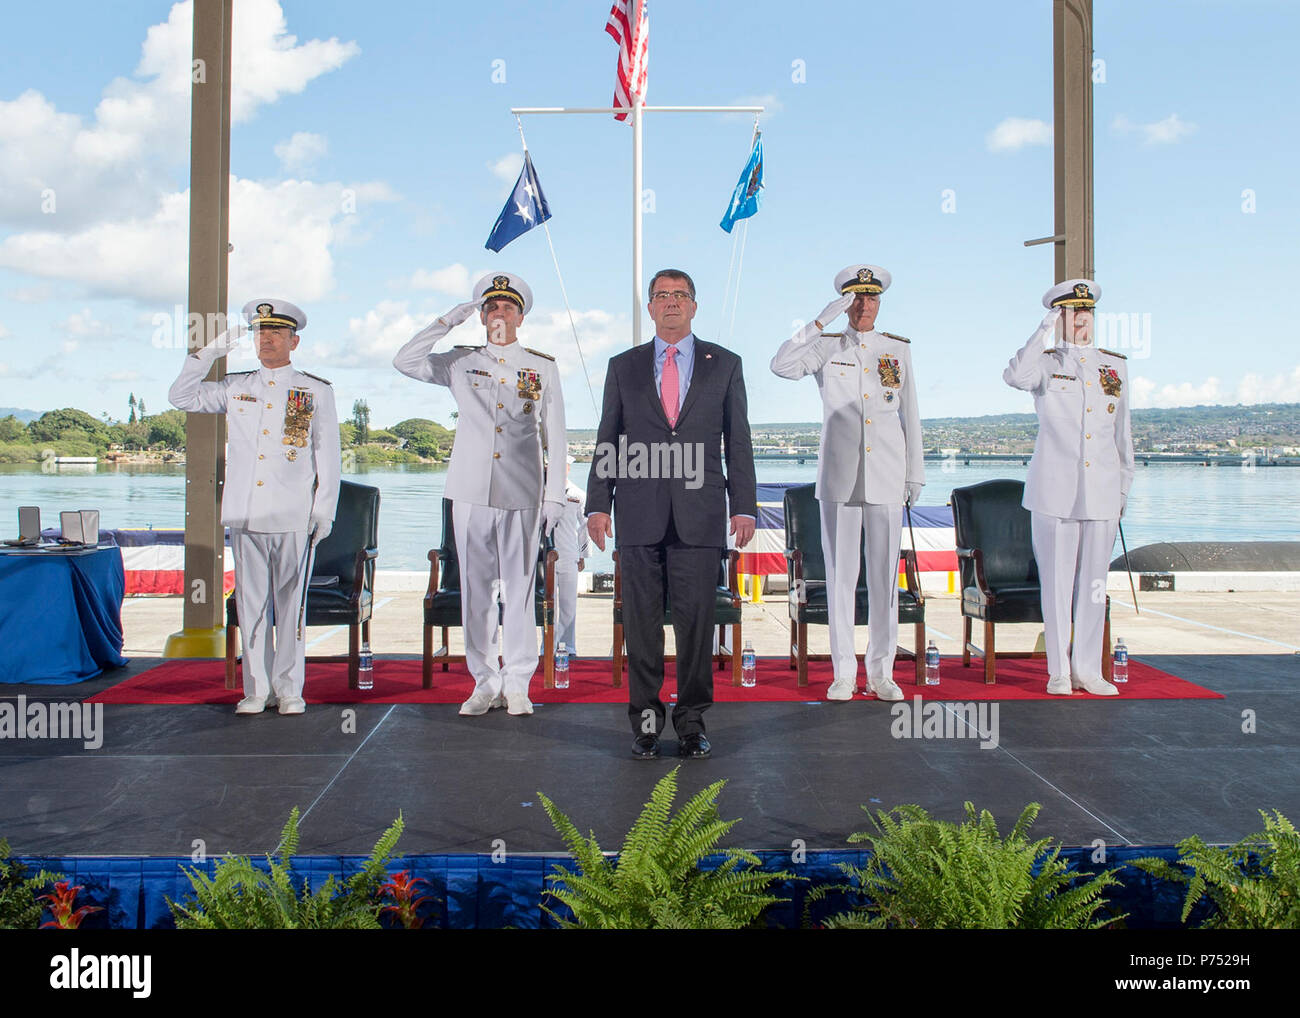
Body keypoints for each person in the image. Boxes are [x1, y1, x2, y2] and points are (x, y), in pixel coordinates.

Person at [586, 269, 757, 759]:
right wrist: (598, 503)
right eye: (662, 295)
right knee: (640, 628)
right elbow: (608, 439)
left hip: (701, 517)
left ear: (694, 306)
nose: (672, 302)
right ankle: (644, 725)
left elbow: (737, 441)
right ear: (650, 307)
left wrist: (743, 505)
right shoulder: (624, 366)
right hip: (638, 515)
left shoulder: (724, 364)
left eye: (680, 294)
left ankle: (691, 723)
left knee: (696, 626)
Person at [393, 272, 566, 716]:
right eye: (490, 307)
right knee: (475, 590)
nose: (498, 314)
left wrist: (554, 497)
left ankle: (518, 683)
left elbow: (557, 437)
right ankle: (484, 681)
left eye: (507, 307)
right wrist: (444, 322)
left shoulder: (542, 366)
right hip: (470, 491)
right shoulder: (459, 362)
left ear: (521, 316)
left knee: (521, 590)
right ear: (481, 316)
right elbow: (405, 361)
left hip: (524, 491)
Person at [168, 299, 340, 716]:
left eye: (276, 333)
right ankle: (256, 690)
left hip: (292, 515)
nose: (267, 340)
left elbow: (328, 454)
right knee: (252, 607)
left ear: (294, 341)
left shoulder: (314, 390)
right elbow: (181, 396)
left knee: (290, 609)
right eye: (261, 333)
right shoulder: (236, 386)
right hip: (247, 513)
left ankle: (290, 689)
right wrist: (208, 352)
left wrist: (323, 510)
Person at [771, 264, 924, 703]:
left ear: (879, 303)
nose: (863, 306)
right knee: (840, 578)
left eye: (870, 299)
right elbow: (780, 365)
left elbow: (910, 413)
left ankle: (882, 672)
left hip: (888, 475)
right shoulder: (826, 346)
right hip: (839, 478)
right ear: (845, 304)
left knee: (883, 580)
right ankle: (843, 673)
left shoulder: (897, 350)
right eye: (855, 299)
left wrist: (915, 473)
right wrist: (819, 321)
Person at [1003, 279, 1134, 696]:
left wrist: (1123, 491)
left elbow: (1122, 434)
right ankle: (1058, 669)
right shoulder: (1045, 362)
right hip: (1054, 490)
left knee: (1095, 584)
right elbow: (1015, 375)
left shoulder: (1114, 367)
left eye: (1086, 311)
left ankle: (1088, 670)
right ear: (1059, 316)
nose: (1080, 319)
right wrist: (1044, 328)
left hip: (1102, 490)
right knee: (1057, 584)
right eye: (1071, 312)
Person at [551, 456, 589, 656]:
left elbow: (584, 526)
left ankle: (568, 646)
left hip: (569, 553)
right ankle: (547, 645)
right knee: (547, 604)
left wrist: (583, 554)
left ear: (568, 468)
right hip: (545, 556)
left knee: (568, 604)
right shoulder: (541, 492)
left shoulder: (578, 494)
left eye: (564, 467)